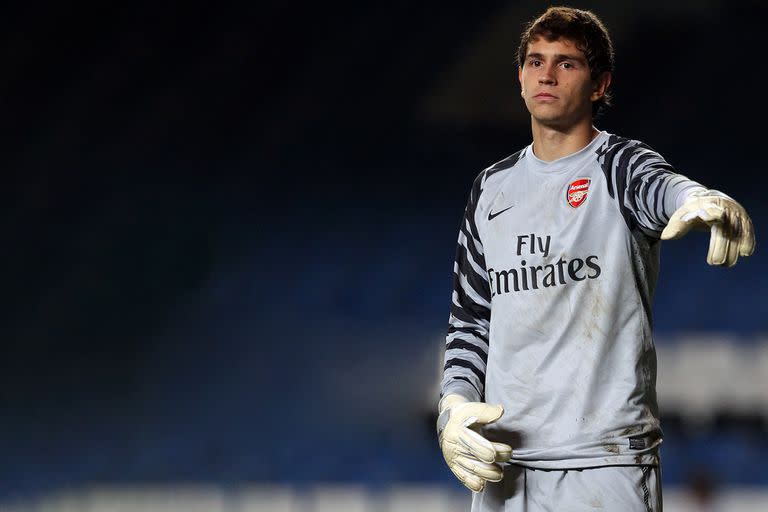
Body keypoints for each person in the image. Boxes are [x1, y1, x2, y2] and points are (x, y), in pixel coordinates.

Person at [437, 6, 754, 512]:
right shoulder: (490, 189)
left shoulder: (620, 166)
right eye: (535, 61)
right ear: (519, 77)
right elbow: (472, 322)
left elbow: (663, 188)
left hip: (605, 464)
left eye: (566, 63)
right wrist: (451, 408)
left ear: (600, 84)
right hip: (506, 468)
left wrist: (697, 199)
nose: (545, 73)